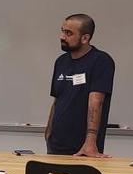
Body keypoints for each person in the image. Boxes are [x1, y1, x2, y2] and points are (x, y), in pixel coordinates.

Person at [45, 13, 115, 157]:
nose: (62, 37)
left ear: (85, 38)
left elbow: (96, 101)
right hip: (56, 144)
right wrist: (48, 132)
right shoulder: (61, 62)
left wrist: (90, 141)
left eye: (68, 33)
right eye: (63, 31)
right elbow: (57, 100)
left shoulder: (101, 61)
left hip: (83, 147)